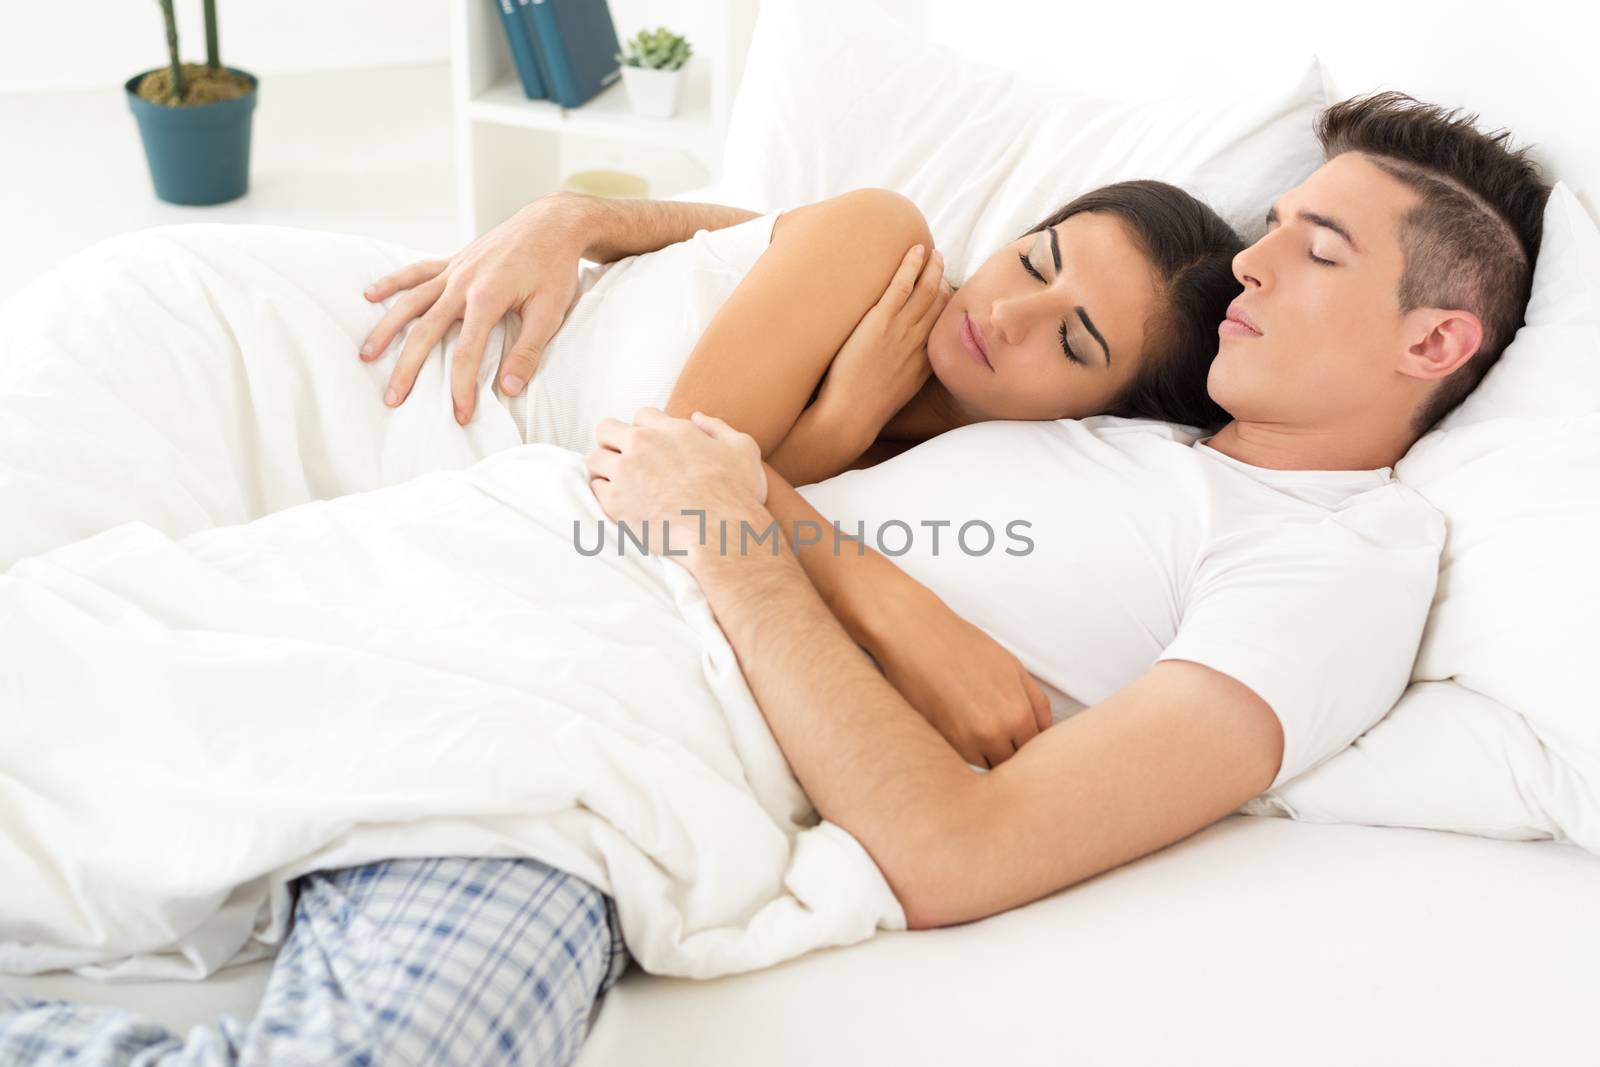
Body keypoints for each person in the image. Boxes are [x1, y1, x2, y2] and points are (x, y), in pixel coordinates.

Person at [0, 91, 1550, 1067]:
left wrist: (741, 529)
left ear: (1434, 344)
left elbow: (956, 846)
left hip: (606, 753)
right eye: (1273, 229)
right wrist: (594, 226)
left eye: (1320, 251)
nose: (1261, 264)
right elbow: (822, 289)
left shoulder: (1333, 562)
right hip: (494, 561)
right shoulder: (1122, 436)